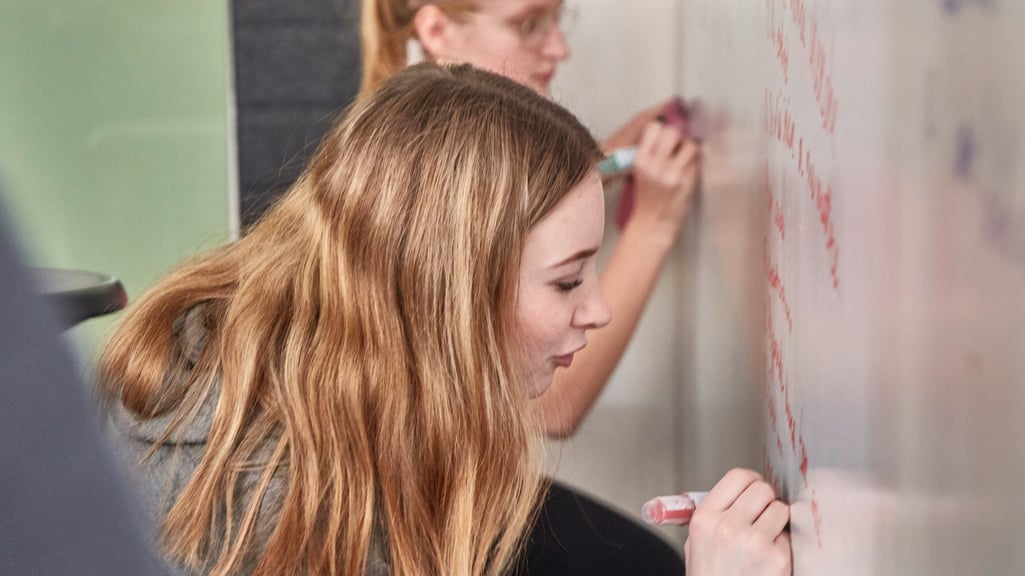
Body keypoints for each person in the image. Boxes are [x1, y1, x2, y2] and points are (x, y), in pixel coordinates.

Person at [100, 63, 788, 575]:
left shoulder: (296, 335)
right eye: (567, 280)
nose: (597, 309)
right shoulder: (300, 525)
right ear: (448, 297)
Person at [360, 1, 703, 573]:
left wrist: (599, 167)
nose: (557, 49)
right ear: (437, 29)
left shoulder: (420, 134)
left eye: (556, 20)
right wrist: (654, 225)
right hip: (411, 504)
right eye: (527, 25)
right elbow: (550, 407)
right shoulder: (418, 177)